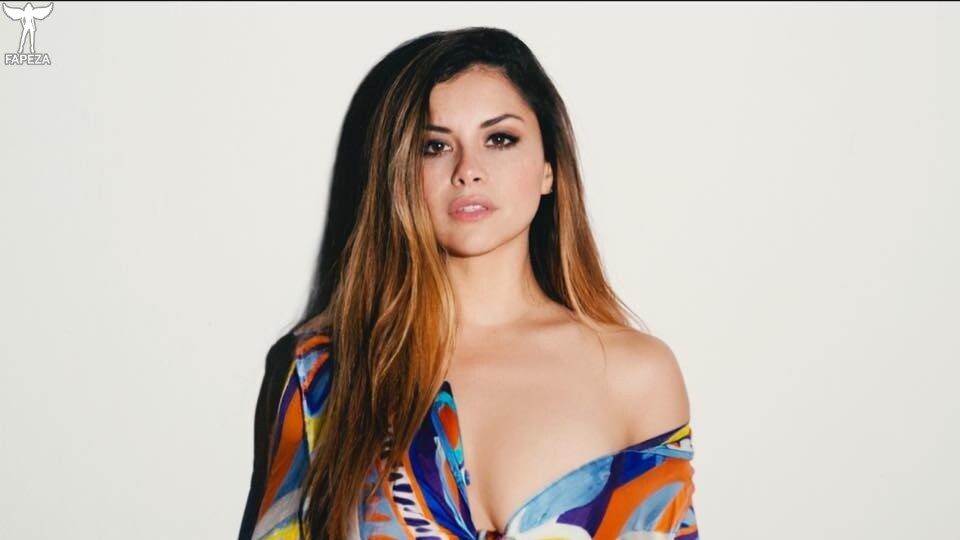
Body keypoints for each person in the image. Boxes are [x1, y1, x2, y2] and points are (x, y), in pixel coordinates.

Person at [239, 26, 700, 540]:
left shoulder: (638, 375)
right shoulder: (328, 371)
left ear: (549, 169)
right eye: (435, 146)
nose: (468, 170)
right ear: (401, 174)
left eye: (499, 139)